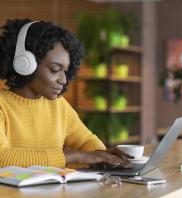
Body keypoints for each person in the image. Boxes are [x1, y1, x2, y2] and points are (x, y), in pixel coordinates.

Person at [0, 19, 132, 169]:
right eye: (55, 70)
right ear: (25, 64)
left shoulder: (58, 105)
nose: (63, 80)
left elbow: (86, 141)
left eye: (66, 71)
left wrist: (102, 156)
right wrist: (79, 156)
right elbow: (3, 158)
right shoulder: (2, 105)